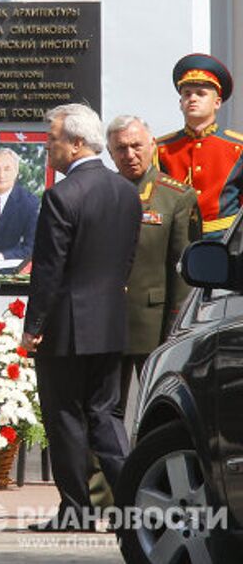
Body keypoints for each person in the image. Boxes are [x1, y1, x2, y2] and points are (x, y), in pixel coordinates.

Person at [20, 103, 141, 532]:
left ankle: (76, 510)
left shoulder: (61, 195)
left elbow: (48, 271)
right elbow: (126, 259)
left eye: (52, 138)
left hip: (67, 326)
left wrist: (33, 327)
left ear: (75, 144)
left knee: (65, 417)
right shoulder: (126, 191)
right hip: (109, 320)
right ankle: (134, 503)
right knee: (105, 416)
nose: (48, 146)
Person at [108, 115, 201, 415]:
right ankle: (101, 465)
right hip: (104, 322)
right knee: (103, 412)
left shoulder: (175, 197)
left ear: (152, 146)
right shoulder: (100, 192)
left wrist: (176, 329)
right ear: (110, 152)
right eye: (121, 148)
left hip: (153, 324)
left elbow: (183, 271)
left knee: (157, 411)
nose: (130, 155)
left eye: (137, 145)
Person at [157, 53, 243, 240]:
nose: (192, 99)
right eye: (187, 94)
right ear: (180, 103)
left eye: (201, 94)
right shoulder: (161, 148)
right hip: (177, 239)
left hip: (225, 240)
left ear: (217, 103)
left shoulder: (237, 148)